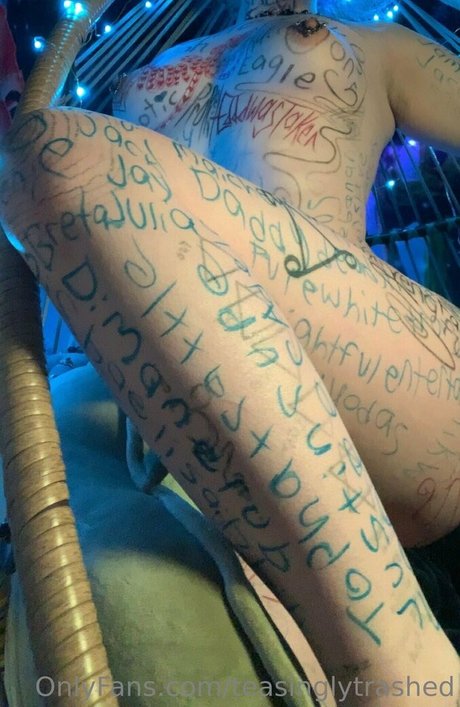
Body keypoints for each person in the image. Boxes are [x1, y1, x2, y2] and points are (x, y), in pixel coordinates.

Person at [1, 0, 459, 703]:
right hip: (130, 378)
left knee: (55, 153)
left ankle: (402, 672)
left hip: (370, 348)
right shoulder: (146, 66)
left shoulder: (374, 43)